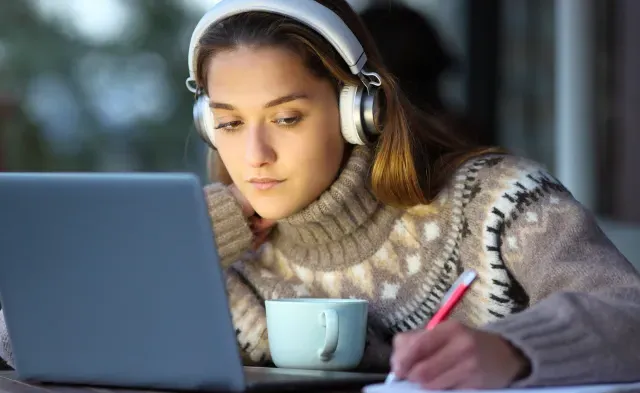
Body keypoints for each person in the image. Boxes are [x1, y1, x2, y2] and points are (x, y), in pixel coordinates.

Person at [3, 0, 640, 389]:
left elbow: (630, 314)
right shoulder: (213, 247)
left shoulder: (498, 203)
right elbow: (22, 338)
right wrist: (180, 244)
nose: (254, 157)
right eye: (228, 123)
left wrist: (515, 352)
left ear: (355, 111)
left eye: (286, 118)